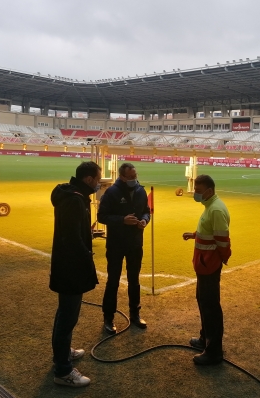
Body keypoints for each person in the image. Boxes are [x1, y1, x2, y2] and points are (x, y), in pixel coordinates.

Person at [49, 161, 102, 387]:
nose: (99, 184)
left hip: (67, 266)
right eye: (98, 180)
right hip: (70, 268)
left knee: (65, 315)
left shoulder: (73, 195)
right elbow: (72, 239)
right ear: (89, 179)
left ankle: (62, 355)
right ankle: (63, 371)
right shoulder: (74, 200)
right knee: (67, 318)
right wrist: (87, 258)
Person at [182, 174, 231, 365]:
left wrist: (221, 258)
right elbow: (208, 230)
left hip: (209, 266)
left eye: (199, 191)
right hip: (204, 265)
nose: (195, 194)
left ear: (209, 191)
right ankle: (205, 339)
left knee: (210, 307)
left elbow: (222, 241)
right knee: (204, 302)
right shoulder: (210, 206)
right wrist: (194, 235)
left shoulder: (216, 210)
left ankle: (213, 352)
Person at [98, 163, 150, 334]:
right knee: (113, 281)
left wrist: (144, 220)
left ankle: (135, 314)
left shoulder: (141, 191)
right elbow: (101, 216)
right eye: (130, 176)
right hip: (116, 245)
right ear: (122, 176)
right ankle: (108, 318)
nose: (134, 179)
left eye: (135, 175)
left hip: (135, 244)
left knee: (134, 280)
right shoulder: (111, 193)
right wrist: (121, 220)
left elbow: (147, 211)